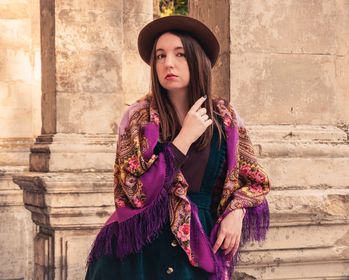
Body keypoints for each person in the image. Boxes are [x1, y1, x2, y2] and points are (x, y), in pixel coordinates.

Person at [85, 15, 271, 280]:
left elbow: (254, 181)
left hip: (200, 249)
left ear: (198, 61)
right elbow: (134, 193)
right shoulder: (138, 117)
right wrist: (184, 139)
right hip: (137, 258)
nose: (168, 63)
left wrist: (237, 212)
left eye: (179, 54)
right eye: (160, 56)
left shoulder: (226, 118)